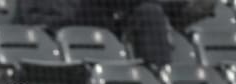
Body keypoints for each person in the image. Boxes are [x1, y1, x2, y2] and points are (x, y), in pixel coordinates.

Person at [18, 0, 173, 69]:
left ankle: (161, 79)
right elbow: (33, 17)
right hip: (58, 33)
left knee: (150, 12)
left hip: (99, 30)